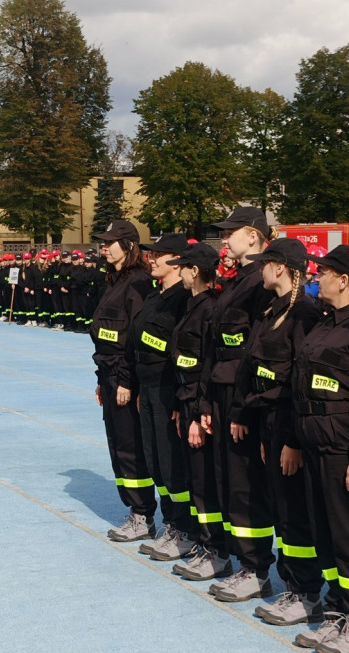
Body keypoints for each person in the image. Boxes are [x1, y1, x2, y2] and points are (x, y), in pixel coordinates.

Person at [291, 245, 349, 653]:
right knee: (324, 532)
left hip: (343, 448)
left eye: (323, 272)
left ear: (344, 279)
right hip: (315, 441)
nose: (317, 278)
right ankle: (337, 610)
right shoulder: (328, 322)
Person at [231, 237, 324, 625]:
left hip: (287, 427)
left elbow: (298, 385)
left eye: (265, 263)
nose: (261, 270)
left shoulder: (303, 312)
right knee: (281, 510)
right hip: (268, 423)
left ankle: (305, 592)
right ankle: (292, 587)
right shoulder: (274, 310)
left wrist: (290, 440)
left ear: (281, 267)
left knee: (294, 512)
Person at [201, 207, 277, 602]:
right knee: (230, 481)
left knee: (246, 485)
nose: (224, 239)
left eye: (230, 232)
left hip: (241, 396)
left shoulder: (258, 283)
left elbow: (254, 350)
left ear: (253, 236)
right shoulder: (237, 280)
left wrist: (243, 407)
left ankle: (255, 568)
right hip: (222, 392)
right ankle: (241, 559)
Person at [166, 243, 233, 581]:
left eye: (183, 267)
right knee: (196, 481)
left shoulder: (211, 309)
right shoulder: (192, 305)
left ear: (195, 272)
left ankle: (218, 551)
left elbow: (208, 365)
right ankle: (205, 544)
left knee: (206, 481)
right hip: (187, 399)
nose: (177, 271)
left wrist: (196, 414)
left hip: (200, 404)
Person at [89, 220, 158, 542]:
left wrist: (127, 382)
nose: (104, 247)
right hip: (110, 376)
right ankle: (134, 510)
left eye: (110, 242)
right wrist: (103, 380)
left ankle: (143, 515)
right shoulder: (114, 281)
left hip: (126, 379)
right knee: (118, 447)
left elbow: (137, 338)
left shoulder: (139, 284)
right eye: (103, 242)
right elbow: (105, 338)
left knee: (131, 448)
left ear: (129, 246)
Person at [129, 234, 194, 561]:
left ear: (178, 261)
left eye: (159, 254)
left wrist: (182, 401)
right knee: (157, 462)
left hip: (170, 391)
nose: (151, 259)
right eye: (150, 254)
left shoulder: (183, 298)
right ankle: (171, 523)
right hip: (150, 388)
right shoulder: (158, 296)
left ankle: (184, 529)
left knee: (173, 465)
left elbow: (183, 351)